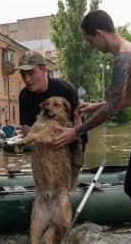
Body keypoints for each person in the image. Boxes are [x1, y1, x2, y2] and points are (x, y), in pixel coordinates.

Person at [52, 10, 131, 244]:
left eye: (89, 41)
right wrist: (95, 105)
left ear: (99, 34)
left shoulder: (124, 58)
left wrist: (75, 132)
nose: (91, 46)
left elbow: (111, 108)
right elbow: (130, 98)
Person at [17, 50, 87, 190]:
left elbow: (79, 122)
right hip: (44, 147)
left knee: (66, 190)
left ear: (44, 70)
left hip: (72, 145)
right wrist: (41, 138)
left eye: (31, 73)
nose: (27, 79)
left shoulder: (65, 89)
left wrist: (68, 137)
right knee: (46, 190)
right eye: (23, 75)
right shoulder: (24, 95)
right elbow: (25, 126)